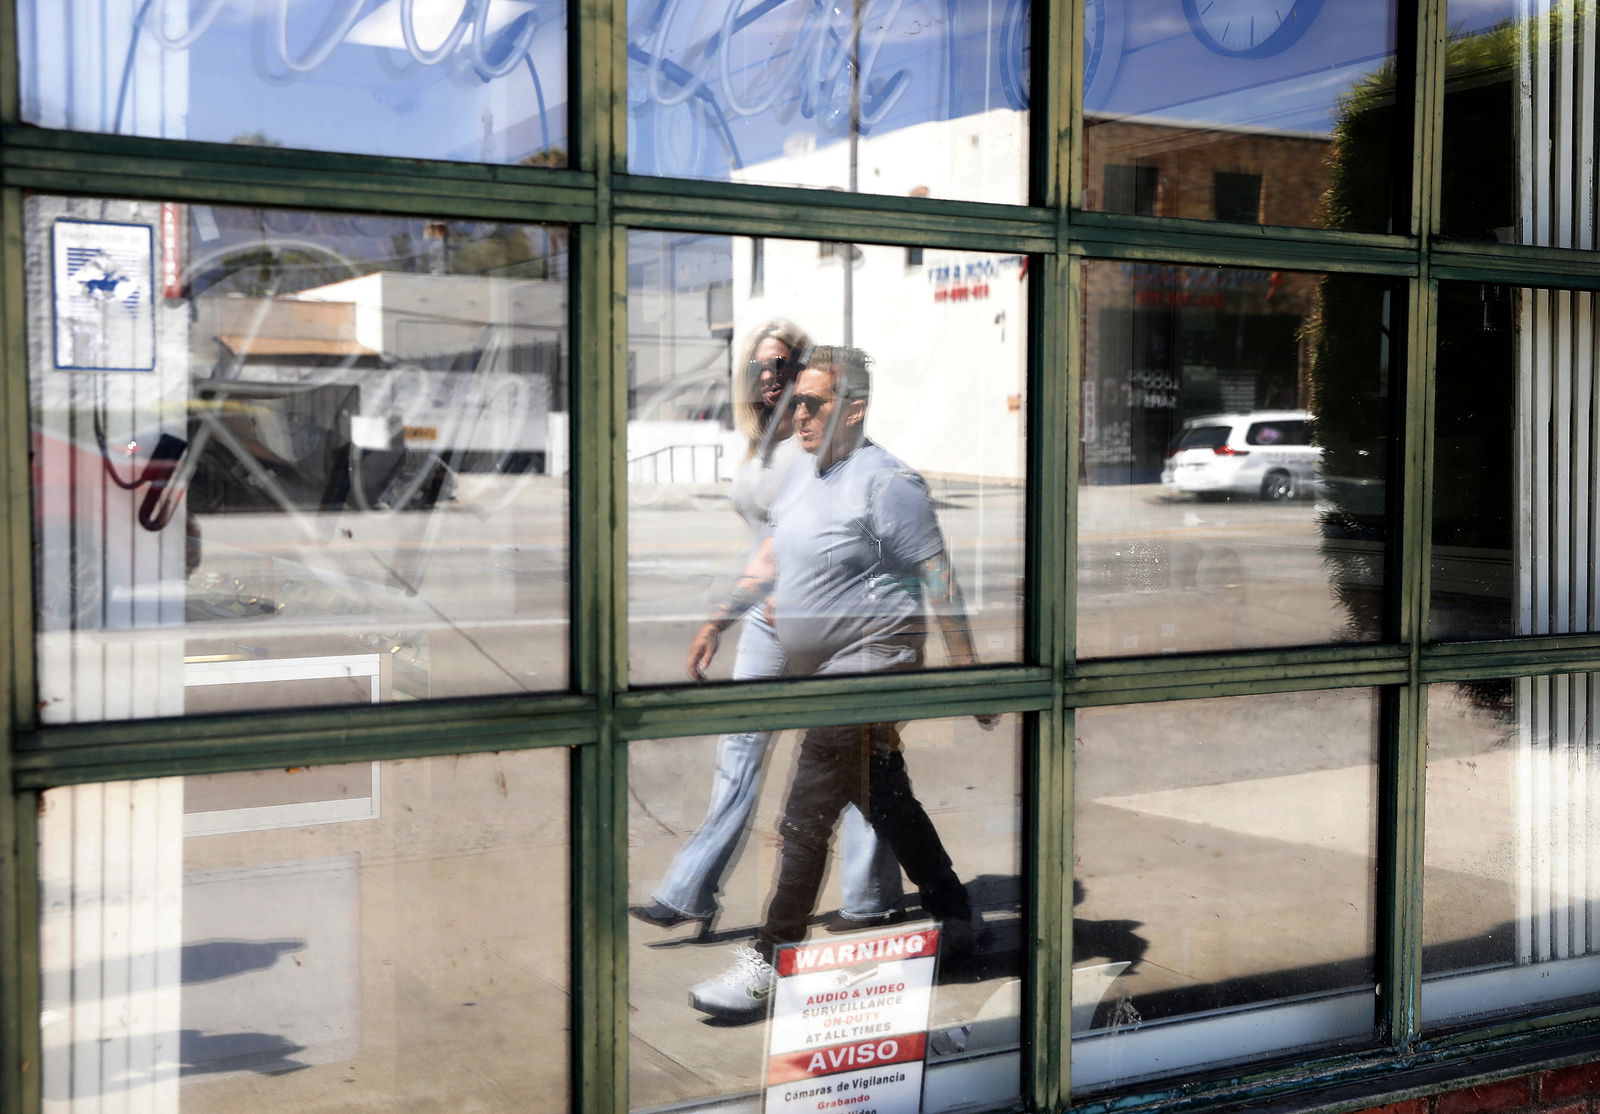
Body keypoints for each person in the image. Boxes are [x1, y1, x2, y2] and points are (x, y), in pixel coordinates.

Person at [683, 345, 994, 1022]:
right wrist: (719, 621)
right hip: (822, 673)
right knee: (887, 799)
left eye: (814, 402)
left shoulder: (888, 482)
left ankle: (769, 962)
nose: (797, 414)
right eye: (795, 401)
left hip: (869, 671)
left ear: (854, 409)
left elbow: (937, 576)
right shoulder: (804, 473)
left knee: (803, 818)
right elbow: (769, 558)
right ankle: (958, 917)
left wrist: (969, 670)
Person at [629, 324, 904, 934]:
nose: (769, 377)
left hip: (826, 619)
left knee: (850, 756)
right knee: (740, 747)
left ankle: (870, 897)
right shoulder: (761, 445)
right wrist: (717, 620)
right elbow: (762, 547)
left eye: (782, 364)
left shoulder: (823, 444)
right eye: (759, 366)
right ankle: (687, 890)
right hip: (766, 613)